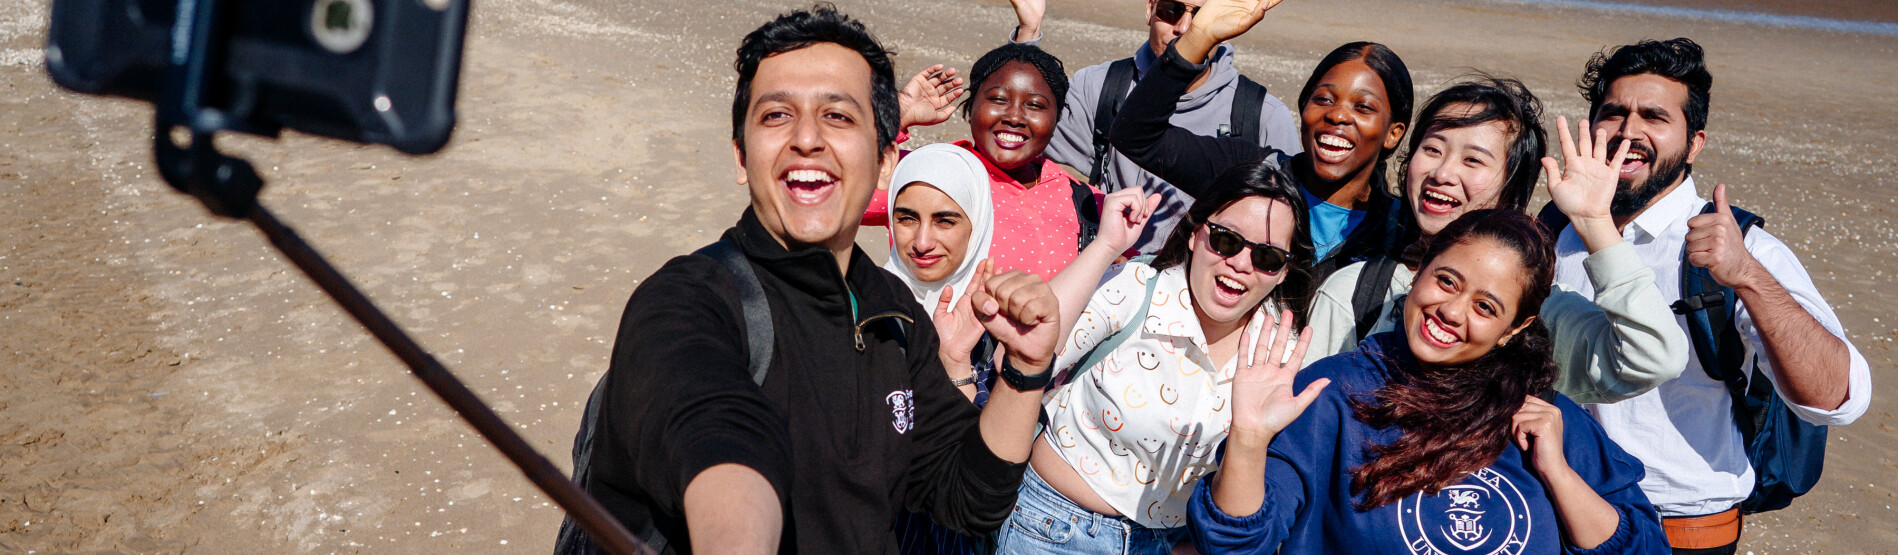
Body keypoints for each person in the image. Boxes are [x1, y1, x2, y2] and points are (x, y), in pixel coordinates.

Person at [575, 6, 1066, 553]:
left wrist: (1024, 370)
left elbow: (967, 499)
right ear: (741, 156)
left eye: (838, 116)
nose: (807, 138)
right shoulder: (685, 302)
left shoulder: (893, 310)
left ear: (884, 162)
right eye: (776, 115)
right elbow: (720, 442)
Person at [1188, 209, 1669, 554]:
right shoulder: (1329, 395)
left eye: (1486, 307)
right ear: (1418, 273)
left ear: (1515, 329)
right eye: (1447, 281)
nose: (1452, 312)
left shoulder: (1543, 417)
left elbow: (1644, 548)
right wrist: (1249, 439)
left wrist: (1560, 475)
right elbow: (1236, 541)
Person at [1555, 38, 1872, 554]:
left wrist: (1746, 275)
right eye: (1613, 113)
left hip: (1680, 530)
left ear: (1695, 143)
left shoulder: (1739, 247)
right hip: (1559, 509)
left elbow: (1840, 399)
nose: (1629, 132)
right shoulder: (1557, 228)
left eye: (1655, 117)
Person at [1304, 77, 1689, 404]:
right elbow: (1305, 415)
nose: (1442, 172)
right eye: (1433, 149)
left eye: (1473, 160)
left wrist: (1594, 224)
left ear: (1513, 189)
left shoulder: (1541, 313)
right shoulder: (1356, 292)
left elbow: (1654, 358)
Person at [992, 162, 1312, 554]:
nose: (1242, 264)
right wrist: (1106, 246)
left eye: (1267, 256)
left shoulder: (1280, 349)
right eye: (1226, 240)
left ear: (1283, 271)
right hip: (1051, 527)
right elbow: (1019, 355)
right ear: (1196, 234)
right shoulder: (1138, 287)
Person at [1108, 0, 1410, 282]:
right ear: (1304, 109)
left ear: (1393, 133)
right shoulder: (1252, 173)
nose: (1338, 116)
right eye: (1324, 99)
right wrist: (1198, 38)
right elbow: (1137, 136)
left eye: (1363, 107)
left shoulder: (1401, 229)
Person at [1001, 0, 1301, 254]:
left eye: (1201, 16)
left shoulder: (1261, 115)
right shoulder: (1102, 88)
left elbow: (1290, 226)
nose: (1184, 29)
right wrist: (1029, 32)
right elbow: (1016, 137)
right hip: (1109, 277)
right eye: (1171, 10)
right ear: (1150, 9)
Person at [868, 43, 1106, 280]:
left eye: (1034, 105)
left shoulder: (1085, 200)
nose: (1014, 117)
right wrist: (895, 116)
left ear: (1056, 120)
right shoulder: (929, 172)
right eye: (998, 100)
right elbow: (841, 195)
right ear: (971, 107)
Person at [882, 143, 996, 403]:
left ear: (976, 226)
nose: (922, 243)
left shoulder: (998, 330)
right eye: (907, 219)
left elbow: (987, 443)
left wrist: (956, 365)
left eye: (944, 221)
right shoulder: (862, 303)